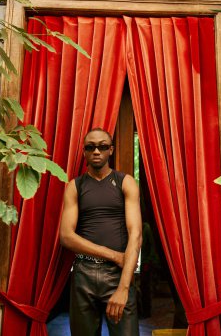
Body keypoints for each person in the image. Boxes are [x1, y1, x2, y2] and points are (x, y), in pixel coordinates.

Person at [60, 127, 142, 336]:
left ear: (111, 150)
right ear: (85, 152)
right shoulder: (74, 186)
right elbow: (66, 237)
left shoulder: (126, 182)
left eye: (103, 147)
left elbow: (136, 235)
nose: (97, 151)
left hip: (118, 276)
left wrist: (123, 288)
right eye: (91, 147)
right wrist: (114, 255)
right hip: (83, 273)